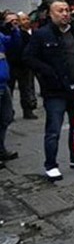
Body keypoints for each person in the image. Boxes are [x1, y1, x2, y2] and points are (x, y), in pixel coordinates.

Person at [23, 0, 74, 181]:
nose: (65, 14)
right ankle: (51, 165)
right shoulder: (42, 35)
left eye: (67, 10)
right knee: (54, 129)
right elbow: (28, 57)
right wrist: (48, 73)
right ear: (51, 14)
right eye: (60, 11)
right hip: (55, 92)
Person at [6, 12, 38, 119]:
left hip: (23, 66)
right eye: (11, 21)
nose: (14, 22)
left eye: (16, 20)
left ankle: (28, 110)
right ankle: (9, 113)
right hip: (9, 66)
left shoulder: (24, 35)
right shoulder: (5, 34)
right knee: (8, 91)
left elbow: (31, 48)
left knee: (26, 89)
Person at [0, 15, 21, 167]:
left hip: (3, 83)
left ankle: (1, 149)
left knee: (6, 117)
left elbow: (14, 44)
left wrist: (13, 30)